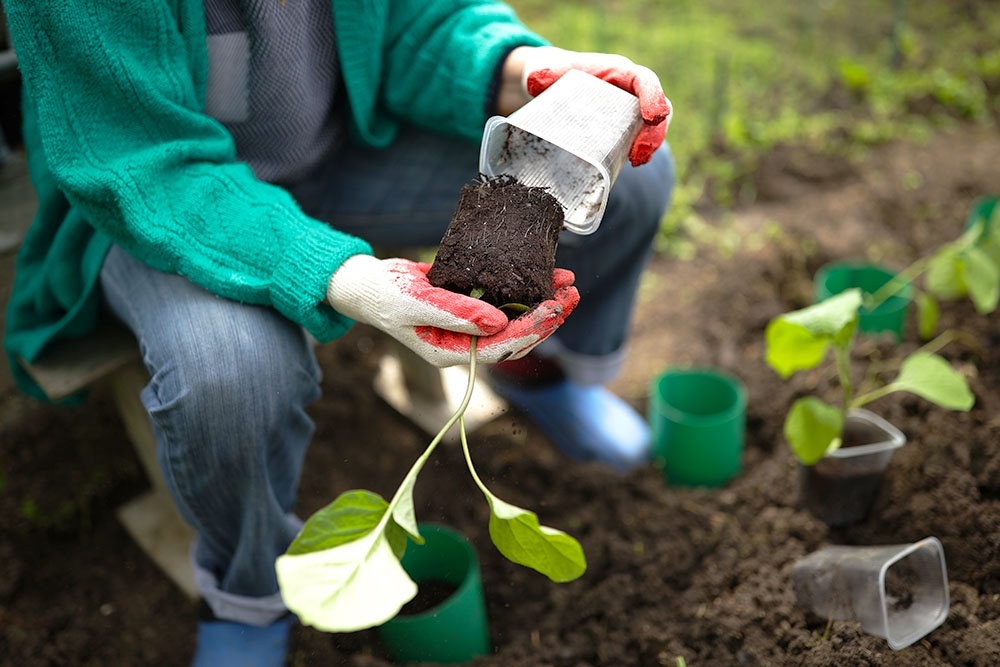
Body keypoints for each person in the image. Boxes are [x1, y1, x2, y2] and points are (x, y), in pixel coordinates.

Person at [3, 1, 675, 664]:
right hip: (161, 203)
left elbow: (418, 20)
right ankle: (249, 588)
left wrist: (521, 69)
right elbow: (138, 159)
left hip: (339, 150)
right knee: (232, 373)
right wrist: (344, 277)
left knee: (630, 186)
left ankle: (538, 375)